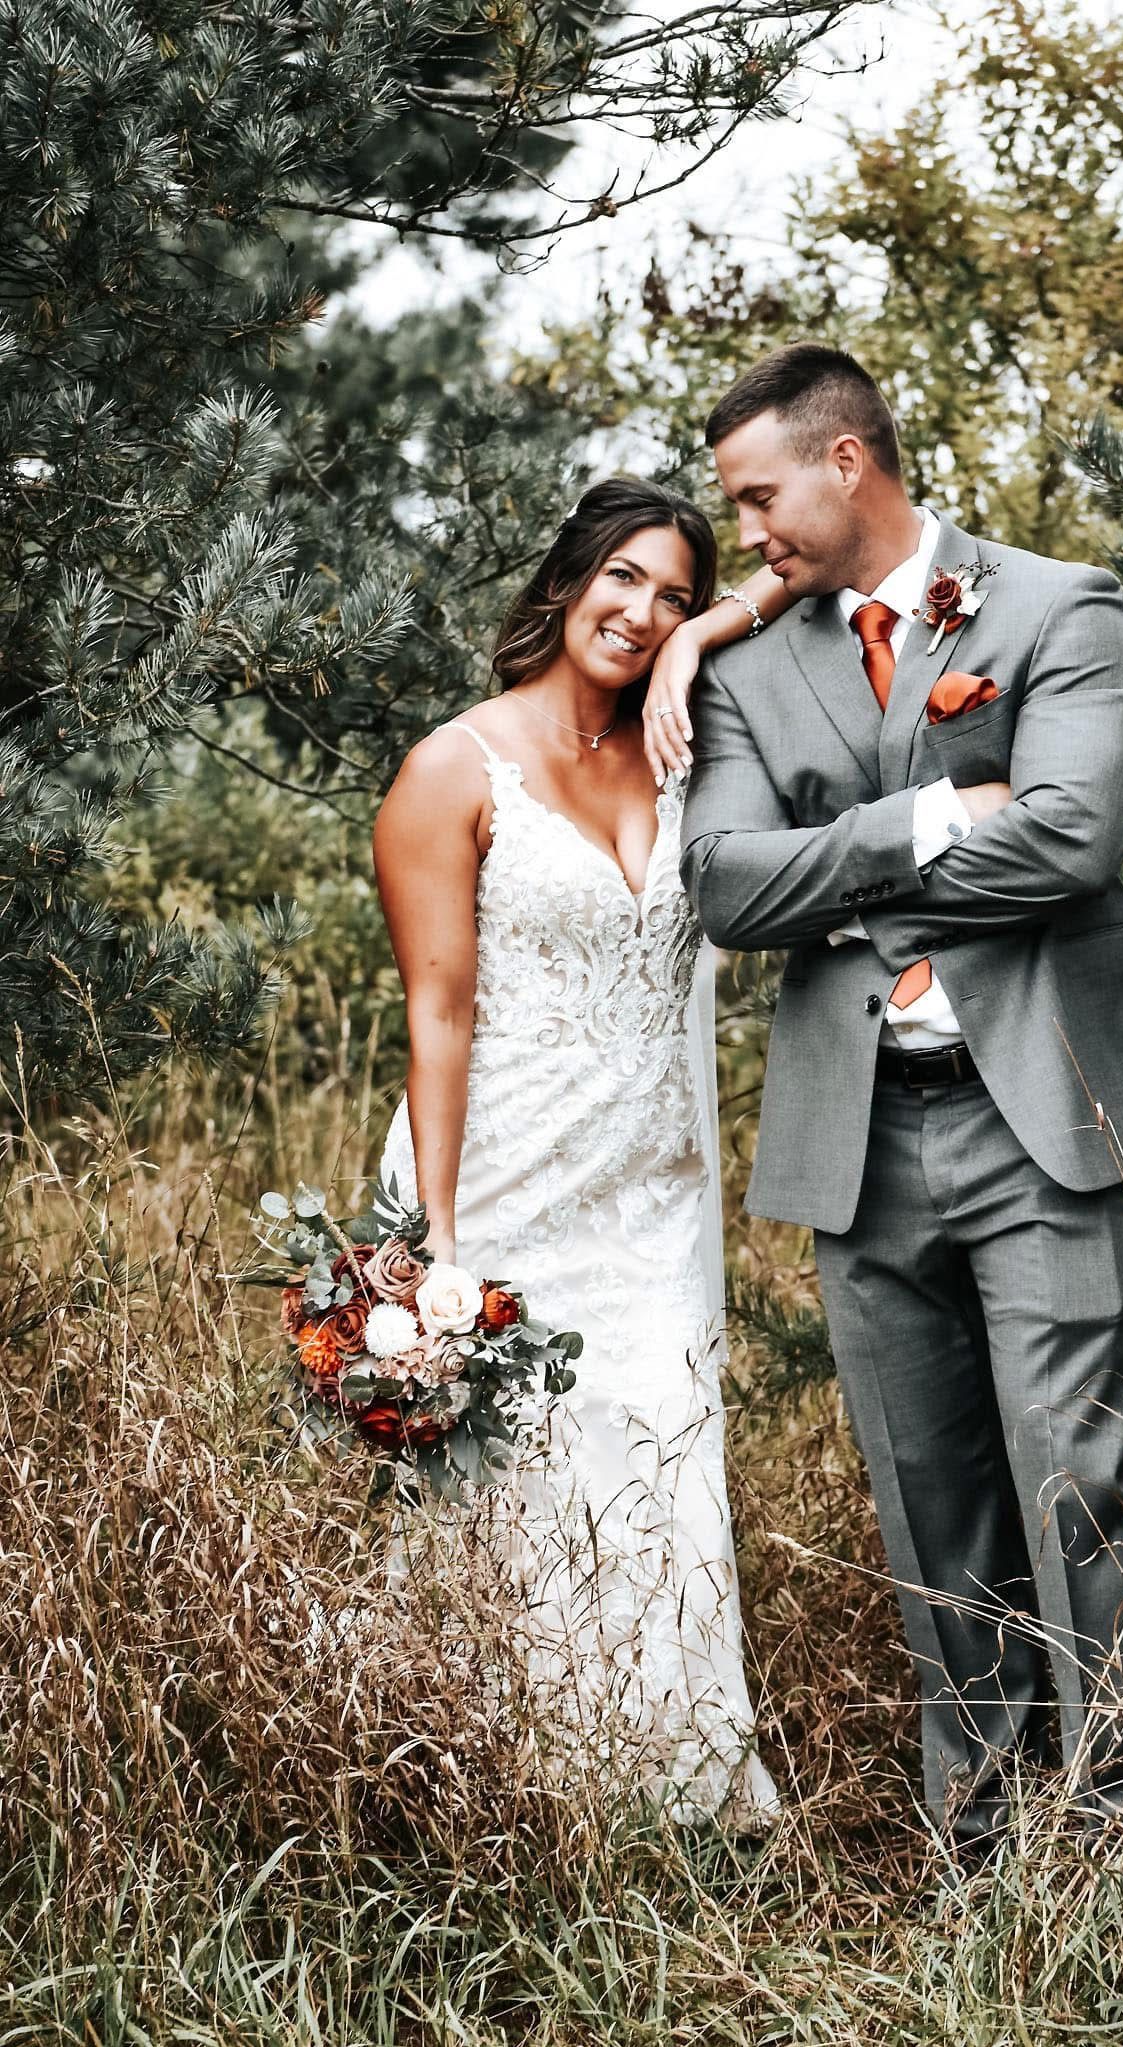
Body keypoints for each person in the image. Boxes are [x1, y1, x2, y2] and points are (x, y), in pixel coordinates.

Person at [673, 344, 1123, 1857]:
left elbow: (1068, 843)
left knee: (1076, 1482)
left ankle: (1122, 1841)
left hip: (1037, 1118)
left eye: (758, 492)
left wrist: (836, 880)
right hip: (856, 1139)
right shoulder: (743, 667)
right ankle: (980, 1847)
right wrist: (919, 817)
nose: (746, 530)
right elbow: (723, 888)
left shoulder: (1057, 605)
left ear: (844, 459)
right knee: (928, 1504)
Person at [371, 477, 789, 1831]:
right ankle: (497, 1794)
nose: (641, 610)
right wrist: (435, 1240)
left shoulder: (684, 746)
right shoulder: (455, 766)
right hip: (499, 1172)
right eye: (623, 580)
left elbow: (802, 563)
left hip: (655, 1185)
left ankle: (675, 1799)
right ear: (567, 582)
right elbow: (435, 1011)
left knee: (661, 1459)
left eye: (671, 590)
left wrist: (698, 641)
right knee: (519, 1485)